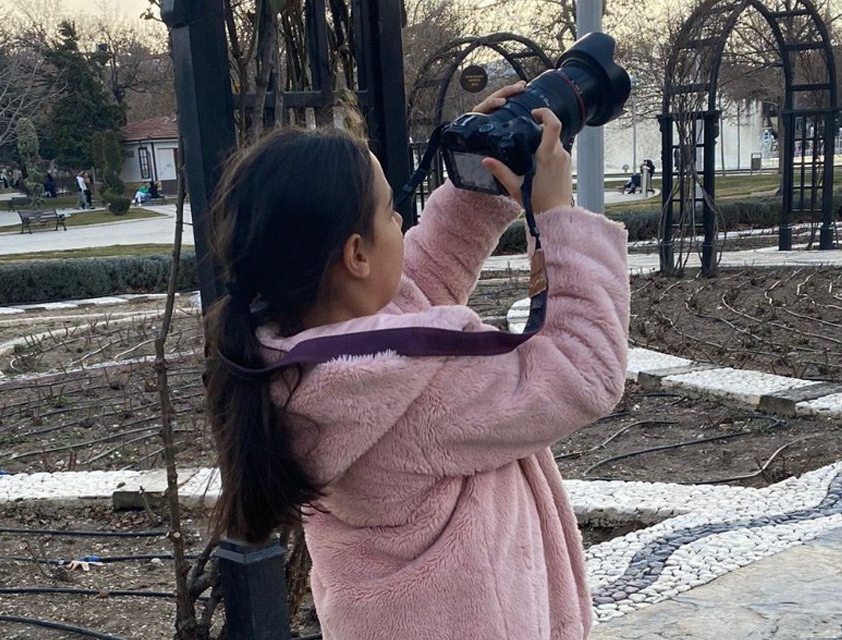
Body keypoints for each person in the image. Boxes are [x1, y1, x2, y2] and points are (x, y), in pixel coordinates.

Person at [205, 83, 629, 640]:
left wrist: (480, 175)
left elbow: (419, 283)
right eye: (389, 212)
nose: (402, 224)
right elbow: (585, 370)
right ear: (356, 255)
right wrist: (556, 218)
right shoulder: (411, 388)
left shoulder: (299, 356)